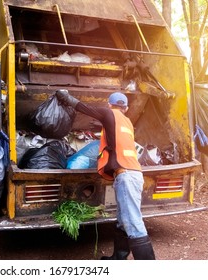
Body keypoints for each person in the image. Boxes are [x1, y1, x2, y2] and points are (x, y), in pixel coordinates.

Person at [56, 89, 155, 260]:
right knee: (123, 220)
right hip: (134, 174)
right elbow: (116, 140)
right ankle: (118, 258)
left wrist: (65, 97)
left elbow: (83, 107)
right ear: (126, 108)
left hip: (126, 175)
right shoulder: (128, 122)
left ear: (109, 105)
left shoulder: (108, 112)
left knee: (133, 222)